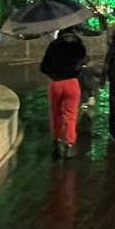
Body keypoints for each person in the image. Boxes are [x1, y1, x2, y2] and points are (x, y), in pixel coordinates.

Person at [40, 27, 89, 159]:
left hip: (55, 83)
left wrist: (53, 73)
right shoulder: (78, 46)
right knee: (70, 114)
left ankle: (56, 143)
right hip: (72, 83)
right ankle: (69, 144)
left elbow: (43, 67)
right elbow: (85, 61)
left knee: (55, 113)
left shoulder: (53, 46)